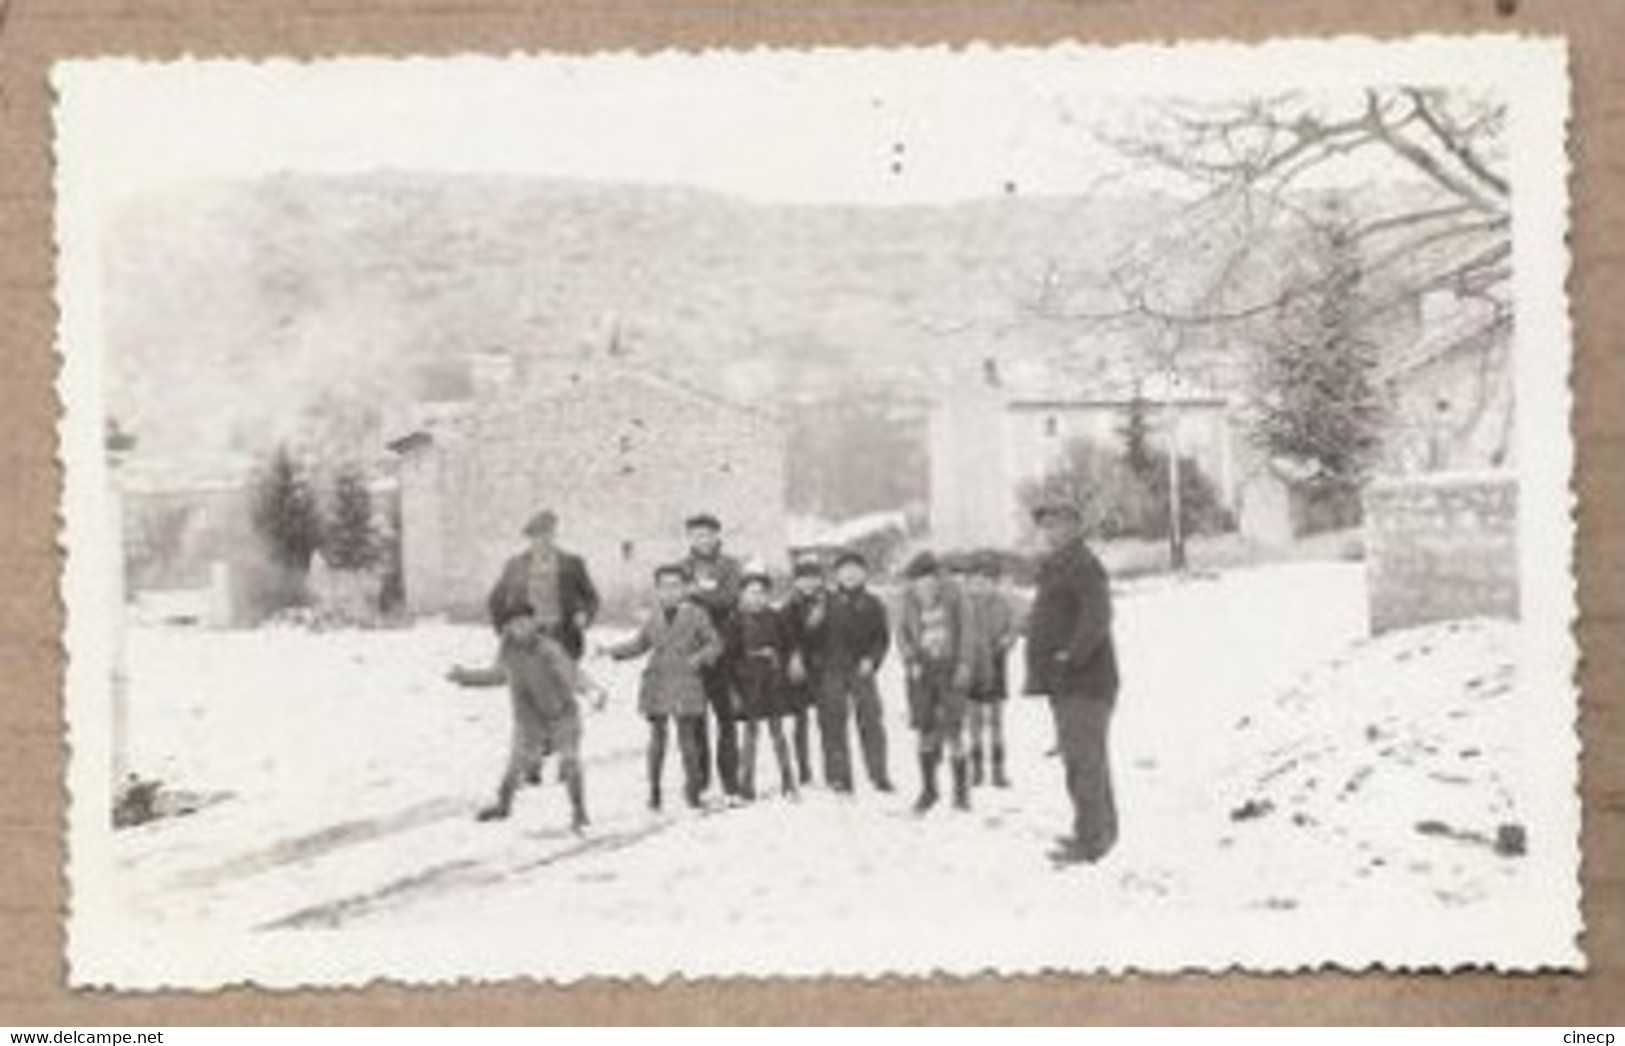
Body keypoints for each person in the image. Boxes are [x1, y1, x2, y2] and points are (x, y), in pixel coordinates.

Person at [476, 510, 603, 828]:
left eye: (548, 534)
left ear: (554, 534)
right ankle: (533, 760)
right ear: (530, 538)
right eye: (537, 536)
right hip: (525, 636)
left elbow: (591, 597)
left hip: (562, 637)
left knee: (562, 691)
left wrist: (584, 616)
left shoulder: (571, 563)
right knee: (530, 697)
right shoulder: (515, 565)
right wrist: (504, 631)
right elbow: (495, 600)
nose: (543, 541)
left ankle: (562, 755)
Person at [1025, 501, 1121, 865]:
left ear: (1076, 527)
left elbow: (1098, 616)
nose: (1051, 531)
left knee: (1084, 761)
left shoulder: (1083, 565)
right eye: (1046, 525)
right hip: (1065, 684)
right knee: (1082, 760)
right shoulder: (1056, 566)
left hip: (1086, 682)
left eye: (1059, 524)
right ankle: (1100, 832)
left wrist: (1071, 655)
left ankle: (1091, 840)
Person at [604, 564, 725, 812]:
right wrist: (611, 651)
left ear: (684, 589)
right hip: (657, 680)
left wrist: (699, 658)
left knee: (687, 739)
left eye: (675, 586)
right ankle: (654, 792)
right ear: (657, 590)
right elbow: (640, 644)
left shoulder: (697, 614)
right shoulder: (654, 616)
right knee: (657, 739)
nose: (670, 592)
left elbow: (716, 643)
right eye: (664, 586)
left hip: (686, 680)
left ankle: (693, 791)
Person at [897, 551, 973, 814]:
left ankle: (961, 793)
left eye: (929, 578)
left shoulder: (955, 596)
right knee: (925, 729)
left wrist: (964, 663)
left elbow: (967, 632)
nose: (924, 584)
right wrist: (910, 660)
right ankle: (929, 790)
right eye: (918, 580)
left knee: (954, 729)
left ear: (938, 577)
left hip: (950, 667)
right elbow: (902, 634)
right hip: (921, 670)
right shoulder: (906, 600)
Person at [815, 550, 894, 794]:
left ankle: (879, 774)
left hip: (862, 671)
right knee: (833, 723)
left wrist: (872, 659)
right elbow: (812, 637)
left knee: (871, 721)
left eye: (855, 569)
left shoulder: (873, 603)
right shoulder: (825, 602)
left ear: (864, 574)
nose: (850, 574)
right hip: (832, 671)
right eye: (844, 570)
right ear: (836, 574)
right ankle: (839, 777)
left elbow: (881, 638)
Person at [681, 513, 745, 799]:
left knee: (726, 717)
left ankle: (730, 780)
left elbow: (729, 598)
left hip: (725, 650)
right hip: (692, 651)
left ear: (717, 536)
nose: (702, 540)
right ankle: (700, 780)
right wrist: (695, 594)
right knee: (695, 719)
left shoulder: (730, 566)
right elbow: (672, 598)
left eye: (708, 534)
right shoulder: (681, 568)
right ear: (690, 538)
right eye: (696, 535)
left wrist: (696, 594)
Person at [728, 571, 798, 801]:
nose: (758, 598)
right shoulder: (736, 620)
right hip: (748, 683)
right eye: (752, 592)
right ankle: (747, 784)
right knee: (750, 735)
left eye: (762, 593)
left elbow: (788, 646)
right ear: (743, 595)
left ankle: (788, 781)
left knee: (778, 733)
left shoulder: (775, 617)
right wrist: (735, 686)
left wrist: (781, 661)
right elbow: (729, 656)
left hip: (773, 682)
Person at [962, 550, 1020, 788]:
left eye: (986, 580)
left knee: (996, 722)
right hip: (971, 668)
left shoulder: (1004, 604)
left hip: (996, 665)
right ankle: (976, 770)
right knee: (974, 721)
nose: (980, 585)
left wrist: (1007, 640)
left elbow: (1013, 629)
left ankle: (998, 771)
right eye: (975, 580)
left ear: (994, 583)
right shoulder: (963, 605)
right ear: (968, 583)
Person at [779, 557, 829, 786]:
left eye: (813, 578)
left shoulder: (828, 602)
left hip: (824, 667)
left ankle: (832, 768)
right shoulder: (789, 607)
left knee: (828, 720)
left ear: (820, 579)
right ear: (795, 581)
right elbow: (786, 637)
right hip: (798, 668)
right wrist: (794, 657)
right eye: (803, 579)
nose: (808, 583)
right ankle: (804, 770)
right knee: (800, 722)